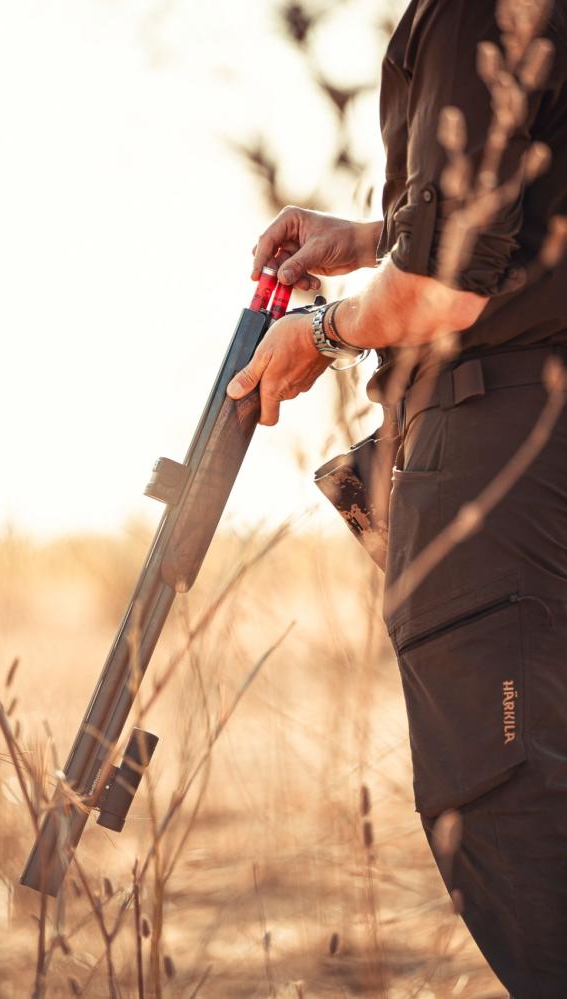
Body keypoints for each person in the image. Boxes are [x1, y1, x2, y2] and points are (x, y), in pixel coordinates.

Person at [226, 1, 567, 996]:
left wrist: (325, 332)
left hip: (501, 447)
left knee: (506, 813)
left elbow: (443, 291)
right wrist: (377, 232)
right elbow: (524, 216)